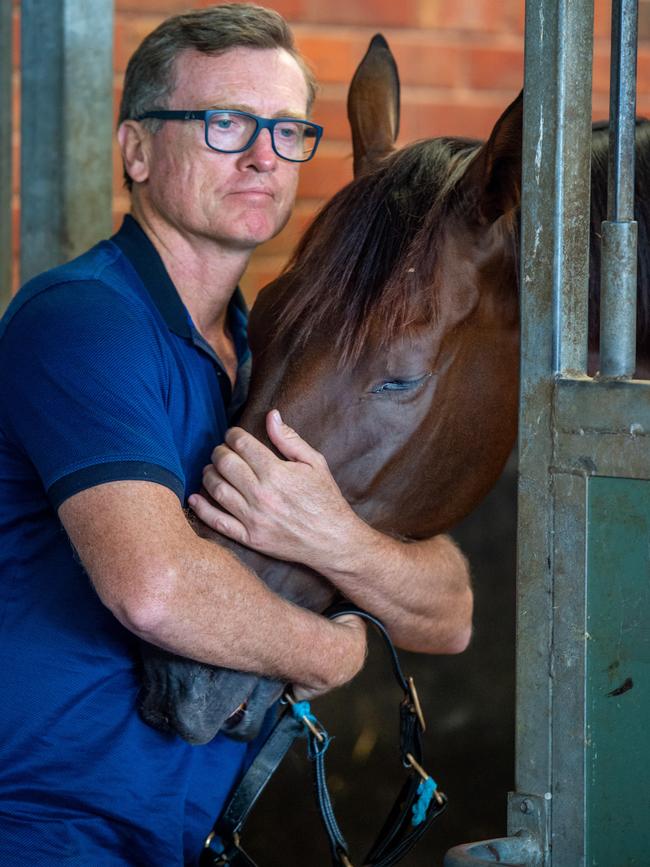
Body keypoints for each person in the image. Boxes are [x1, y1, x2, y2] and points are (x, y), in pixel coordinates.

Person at [0, 4, 472, 865]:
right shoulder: (84, 318)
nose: (263, 155)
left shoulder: (273, 352)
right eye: (226, 123)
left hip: (179, 833)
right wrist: (330, 650)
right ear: (136, 150)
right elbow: (155, 586)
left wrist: (336, 536)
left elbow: (449, 609)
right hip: (42, 821)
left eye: (288, 130)